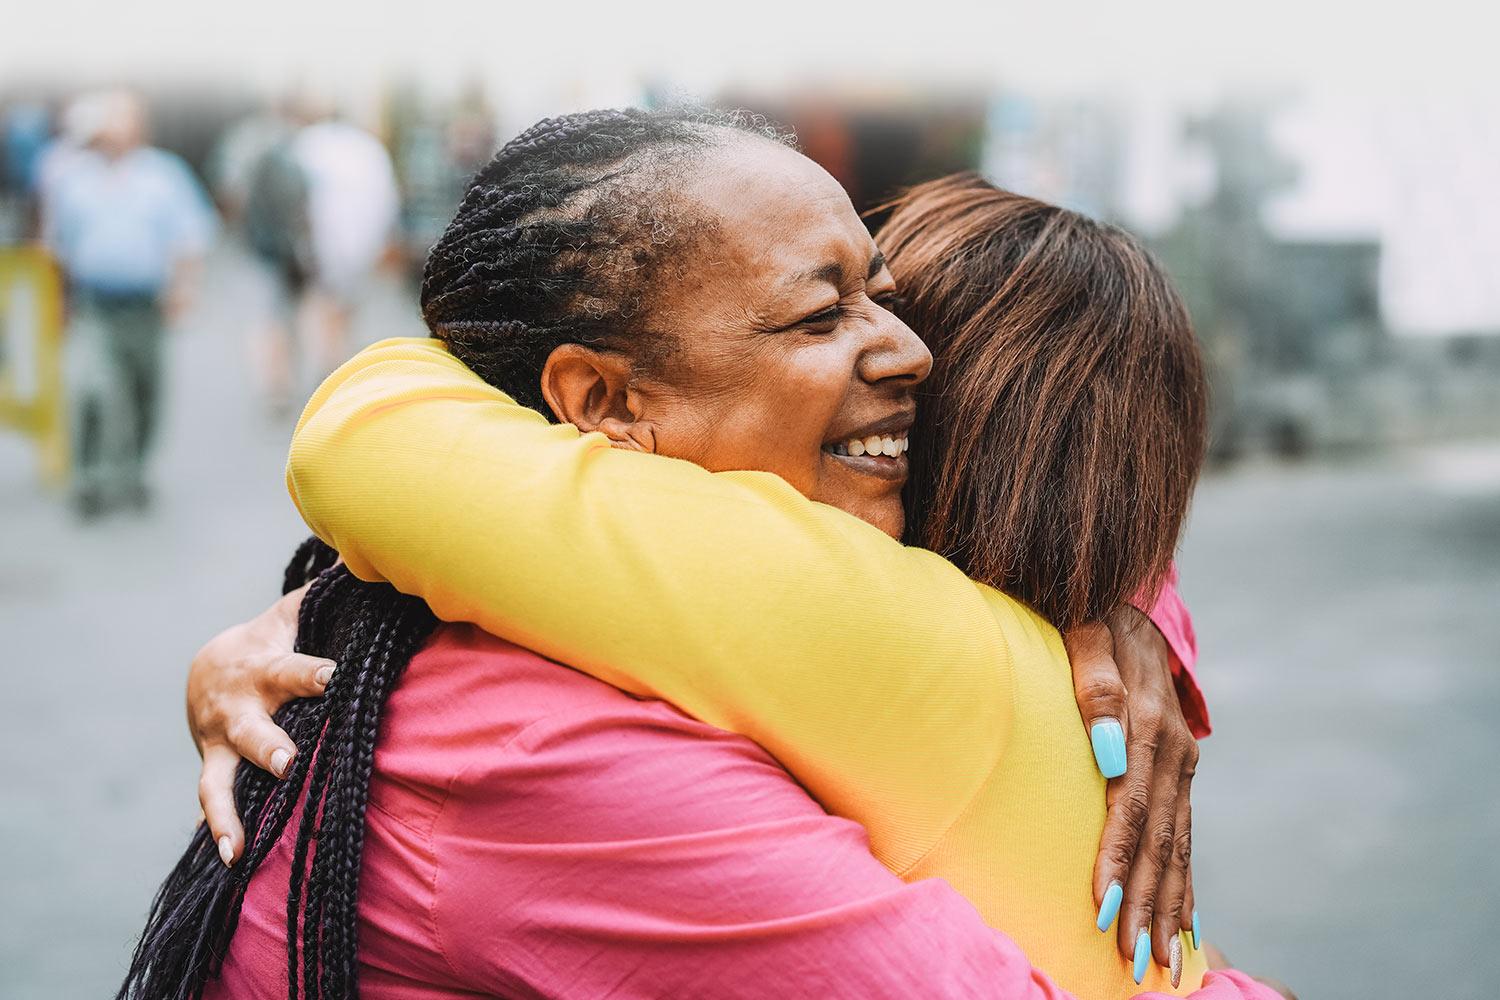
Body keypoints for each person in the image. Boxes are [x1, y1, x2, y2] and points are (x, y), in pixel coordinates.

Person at [127, 109, 1285, 999]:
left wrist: (1119, 610)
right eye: (820, 313)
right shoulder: (545, 737)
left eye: (883, 296)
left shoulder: (552, 591)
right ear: (602, 401)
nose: (910, 353)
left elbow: (378, 419)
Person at [42, 89, 215, 516]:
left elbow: (190, 236)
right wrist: (59, 301)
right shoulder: (73, 177)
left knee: (144, 392)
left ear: (140, 126)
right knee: (92, 390)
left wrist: (183, 288)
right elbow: (56, 246)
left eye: (124, 117)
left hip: (145, 307)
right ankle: (89, 478)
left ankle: (134, 471)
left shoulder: (164, 175)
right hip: (94, 307)